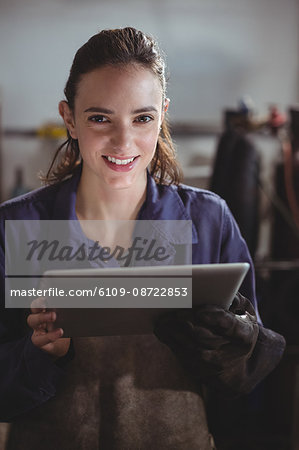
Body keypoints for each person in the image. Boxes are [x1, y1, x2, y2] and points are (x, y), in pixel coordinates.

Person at [0, 27, 285, 450]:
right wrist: (38, 356)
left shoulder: (206, 221)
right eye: (100, 118)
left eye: (142, 118)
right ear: (69, 119)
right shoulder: (18, 228)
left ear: (162, 114)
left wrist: (226, 345)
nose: (123, 141)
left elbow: (247, 379)